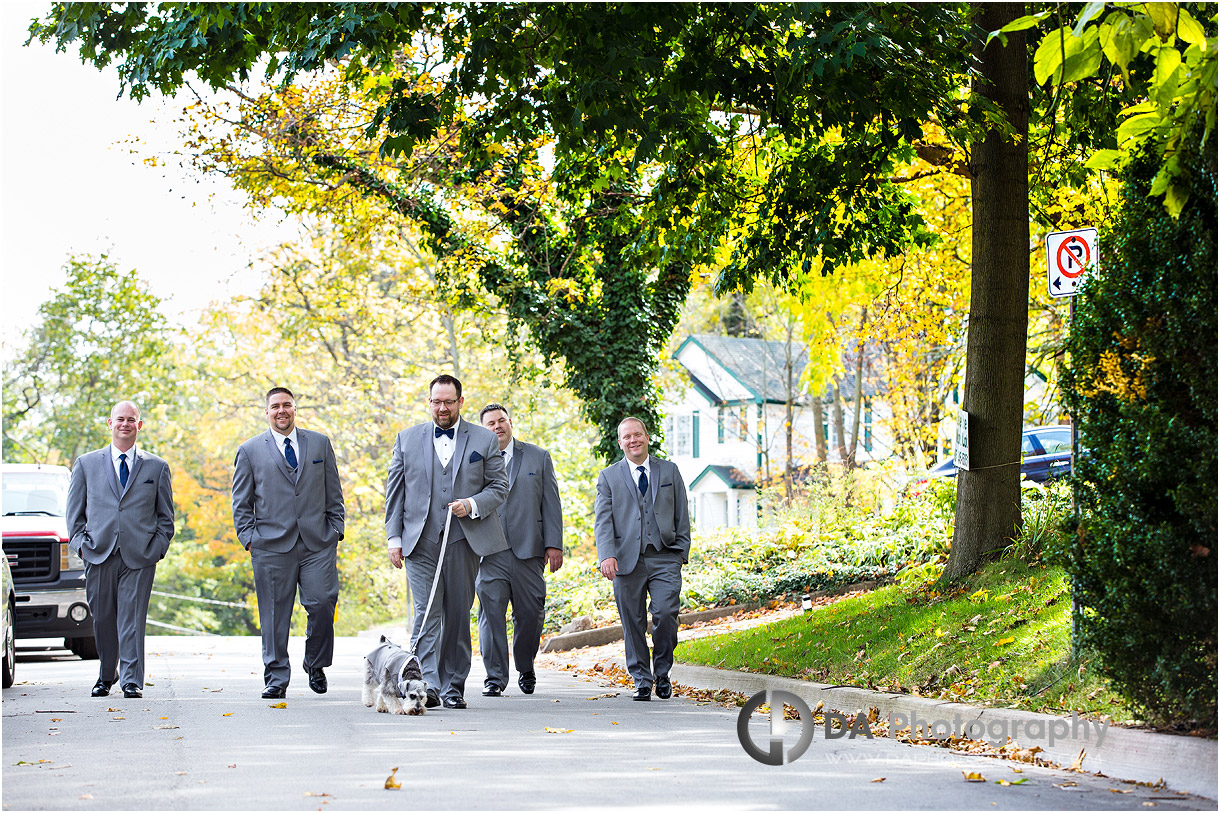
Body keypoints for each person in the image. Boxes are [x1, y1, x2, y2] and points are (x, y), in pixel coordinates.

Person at [384, 375, 509, 709]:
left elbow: (499, 487)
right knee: (426, 614)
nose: (442, 408)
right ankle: (426, 684)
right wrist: (394, 538)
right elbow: (395, 493)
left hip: (464, 540)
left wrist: (471, 504)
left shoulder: (483, 439)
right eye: (436, 402)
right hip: (420, 541)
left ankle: (453, 686)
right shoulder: (407, 439)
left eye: (448, 402)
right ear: (429, 402)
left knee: (456, 614)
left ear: (460, 402)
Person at [231, 387, 344, 699]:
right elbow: (241, 504)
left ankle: (315, 662)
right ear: (266, 411)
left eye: (287, 405)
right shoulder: (249, 450)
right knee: (273, 614)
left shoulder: (319, 443)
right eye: (275, 406)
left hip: (317, 542)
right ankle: (276, 677)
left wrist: (336, 529)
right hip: (269, 545)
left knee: (322, 603)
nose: (282, 411)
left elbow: (333, 490)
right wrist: (249, 538)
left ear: (295, 408)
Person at [65, 400, 175, 699]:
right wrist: (81, 547)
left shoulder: (156, 466)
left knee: (132, 618)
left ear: (139, 425)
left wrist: (157, 548)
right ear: (109, 424)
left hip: (139, 556)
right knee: (102, 618)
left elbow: (166, 518)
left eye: (131, 420)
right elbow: (74, 515)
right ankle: (106, 673)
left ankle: (131, 680)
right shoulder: (86, 464)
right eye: (120, 419)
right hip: (98, 552)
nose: (125, 424)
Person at [594, 417, 692, 702]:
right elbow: (603, 521)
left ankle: (662, 672)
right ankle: (641, 679)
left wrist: (680, 552)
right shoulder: (608, 477)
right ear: (620, 442)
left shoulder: (669, 471)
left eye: (638, 434)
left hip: (665, 557)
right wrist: (607, 555)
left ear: (647, 437)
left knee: (664, 614)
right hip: (625, 560)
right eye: (627, 436)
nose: (633, 440)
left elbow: (682, 514)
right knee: (632, 622)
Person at [474, 403, 563, 697]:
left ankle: (525, 664)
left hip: (529, 550)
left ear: (510, 422)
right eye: (490, 423)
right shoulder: (474, 461)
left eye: (501, 421)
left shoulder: (538, 457)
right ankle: (495, 677)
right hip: (489, 552)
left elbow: (551, 503)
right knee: (490, 615)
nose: (497, 426)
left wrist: (554, 545)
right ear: (483, 429)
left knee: (531, 614)